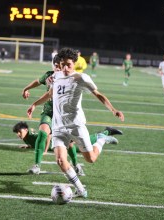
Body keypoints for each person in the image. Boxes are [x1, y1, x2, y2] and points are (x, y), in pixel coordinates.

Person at [27, 47, 124, 197]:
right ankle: (81, 189)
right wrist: (34, 104)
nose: (65, 68)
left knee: (90, 159)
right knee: (60, 160)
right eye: (63, 64)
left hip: (76, 125)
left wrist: (113, 110)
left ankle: (101, 139)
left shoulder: (81, 78)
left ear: (74, 64)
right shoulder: (55, 77)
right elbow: (49, 94)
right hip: (58, 126)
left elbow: (98, 95)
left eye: (69, 65)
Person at [12, 121, 122, 176]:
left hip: (61, 142)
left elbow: (48, 135)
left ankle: (104, 134)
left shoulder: (30, 134)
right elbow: (36, 141)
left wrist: (45, 150)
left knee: (84, 146)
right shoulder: (26, 137)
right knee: (82, 145)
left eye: (19, 132)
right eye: (17, 133)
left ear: (26, 130)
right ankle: (105, 133)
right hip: (61, 143)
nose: (18, 134)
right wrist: (29, 145)